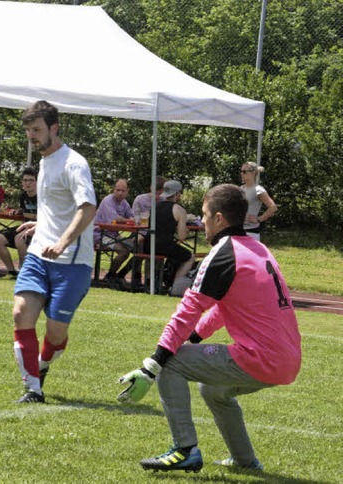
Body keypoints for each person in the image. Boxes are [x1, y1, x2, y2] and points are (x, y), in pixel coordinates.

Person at [118, 183, 301, 474]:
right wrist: (192, 339)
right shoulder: (257, 248)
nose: (201, 221)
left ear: (218, 219)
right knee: (214, 389)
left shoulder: (224, 252)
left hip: (263, 358)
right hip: (288, 360)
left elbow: (189, 308)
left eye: (204, 215)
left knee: (171, 363)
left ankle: (184, 449)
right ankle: (245, 461)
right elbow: (221, 308)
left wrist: (154, 362)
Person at [12, 100, 96, 404]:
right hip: (38, 255)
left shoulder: (74, 163)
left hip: (72, 263)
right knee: (21, 313)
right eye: (28, 131)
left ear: (54, 128)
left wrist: (62, 241)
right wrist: (41, 224)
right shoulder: (45, 160)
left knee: (56, 333)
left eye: (36, 130)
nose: (31, 136)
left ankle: (43, 364)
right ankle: (33, 387)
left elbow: (87, 207)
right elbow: (57, 207)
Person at [148, 180, 195, 292]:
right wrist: (185, 230)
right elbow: (181, 237)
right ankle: (175, 286)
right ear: (177, 193)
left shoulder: (154, 206)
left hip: (149, 243)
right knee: (190, 257)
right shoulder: (179, 210)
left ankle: (153, 281)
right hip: (165, 246)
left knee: (173, 253)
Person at [0, 167, 37, 279]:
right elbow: (26, 212)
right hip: (25, 226)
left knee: (19, 238)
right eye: (25, 180)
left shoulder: (43, 196)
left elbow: (41, 216)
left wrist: (27, 214)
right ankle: (11, 272)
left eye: (31, 180)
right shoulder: (23, 196)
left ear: (37, 182)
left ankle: (24, 271)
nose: (27, 183)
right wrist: (17, 211)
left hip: (40, 229)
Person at [93, 179, 134, 289]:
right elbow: (114, 220)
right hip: (100, 234)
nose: (120, 193)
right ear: (114, 190)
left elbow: (132, 216)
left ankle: (121, 275)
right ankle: (110, 275)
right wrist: (128, 220)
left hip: (114, 234)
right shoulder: (108, 201)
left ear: (127, 191)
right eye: (118, 190)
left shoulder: (124, 202)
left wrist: (129, 219)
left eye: (123, 191)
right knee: (124, 252)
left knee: (139, 249)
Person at [129, 175, 166, 289]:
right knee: (140, 241)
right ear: (150, 188)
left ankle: (154, 279)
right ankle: (137, 275)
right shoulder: (140, 199)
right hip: (141, 231)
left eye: (159, 193)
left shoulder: (164, 201)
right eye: (155, 192)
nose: (157, 196)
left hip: (157, 233)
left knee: (159, 244)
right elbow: (135, 219)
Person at [240, 162, 277, 240]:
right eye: (241, 171)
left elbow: (273, 207)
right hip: (238, 230)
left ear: (253, 173)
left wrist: (258, 219)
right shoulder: (241, 189)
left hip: (251, 232)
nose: (241, 174)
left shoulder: (258, 190)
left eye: (244, 171)